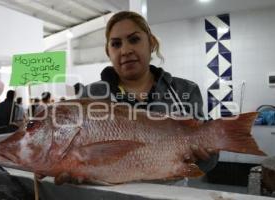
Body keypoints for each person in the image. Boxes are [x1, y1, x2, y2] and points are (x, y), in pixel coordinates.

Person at [81, 11, 219, 173]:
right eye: (116, 44)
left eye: (134, 40)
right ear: (108, 52)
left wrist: (205, 155)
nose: (125, 50)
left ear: (151, 43)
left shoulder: (184, 91)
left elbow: (206, 163)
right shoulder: (91, 96)